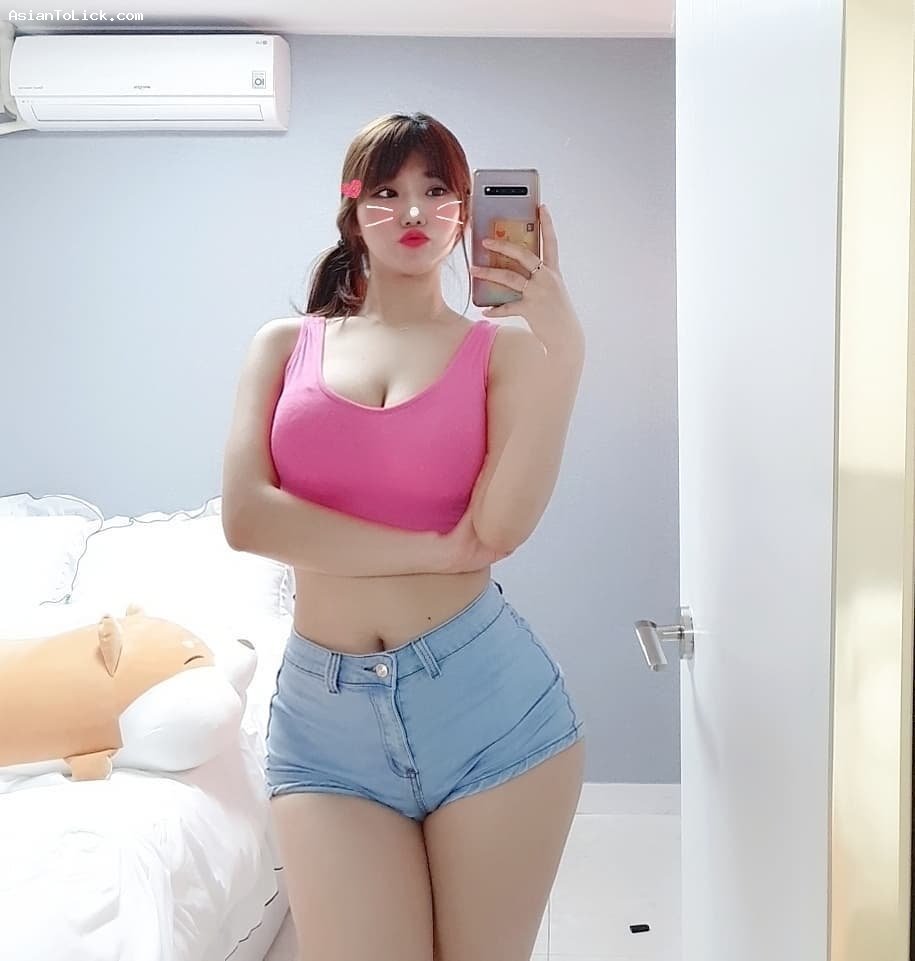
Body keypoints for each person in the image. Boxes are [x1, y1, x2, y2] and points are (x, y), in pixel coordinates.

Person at [221, 112, 588, 961]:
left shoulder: (503, 352)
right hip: (326, 722)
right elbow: (247, 517)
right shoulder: (283, 347)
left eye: (435, 190)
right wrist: (429, 551)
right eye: (385, 191)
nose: (413, 211)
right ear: (352, 211)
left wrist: (563, 352)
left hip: (486, 702)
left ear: (466, 213)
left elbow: (498, 528)